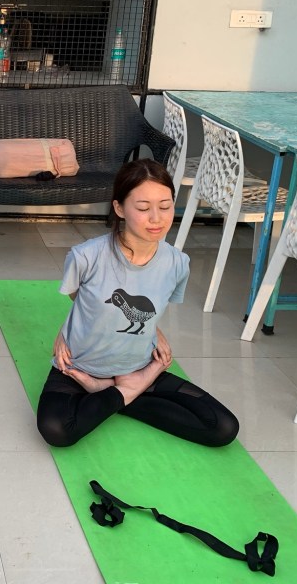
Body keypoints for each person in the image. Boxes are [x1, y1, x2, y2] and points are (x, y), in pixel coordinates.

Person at [36, 158, 239, 448]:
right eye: (143, 208)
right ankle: (124, 391)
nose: (156, 218)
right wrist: (63, 332)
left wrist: (154, 335)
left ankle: (113, 392)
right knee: (56, 429)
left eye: (165, 206)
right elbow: (78, 298)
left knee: (222, 427)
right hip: (79, 369)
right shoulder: (85, 257)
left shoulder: (178, 263)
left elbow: (152, 308)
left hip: (138, 366)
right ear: (119, 208)